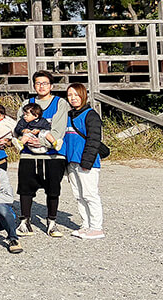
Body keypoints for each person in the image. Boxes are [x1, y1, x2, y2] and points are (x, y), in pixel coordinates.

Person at [15, 84, 67, 238]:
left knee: (53, 190)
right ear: (33, 85)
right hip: (28, 154)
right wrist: (24, 136)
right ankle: (25, 221)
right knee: (25, 189)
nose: (41, 86)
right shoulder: (27, 103)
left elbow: (58, 129)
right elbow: (17, 127)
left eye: (44, 83)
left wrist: (43, 142)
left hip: (52, 155)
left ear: (51, 85)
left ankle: (52, 222)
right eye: (38, 83)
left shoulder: (59, 103)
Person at [63, 82, 105, 240]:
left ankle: (96, 227)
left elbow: (94, 140)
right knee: (78, 195)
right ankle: (86, 225)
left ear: (83, 95)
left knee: (90, 194)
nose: (73, 98)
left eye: (76, 94)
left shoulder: (90, 115)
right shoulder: (68, 115)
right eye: (70, 95)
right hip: (72, 161)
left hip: (86, 162)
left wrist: (87, 162)